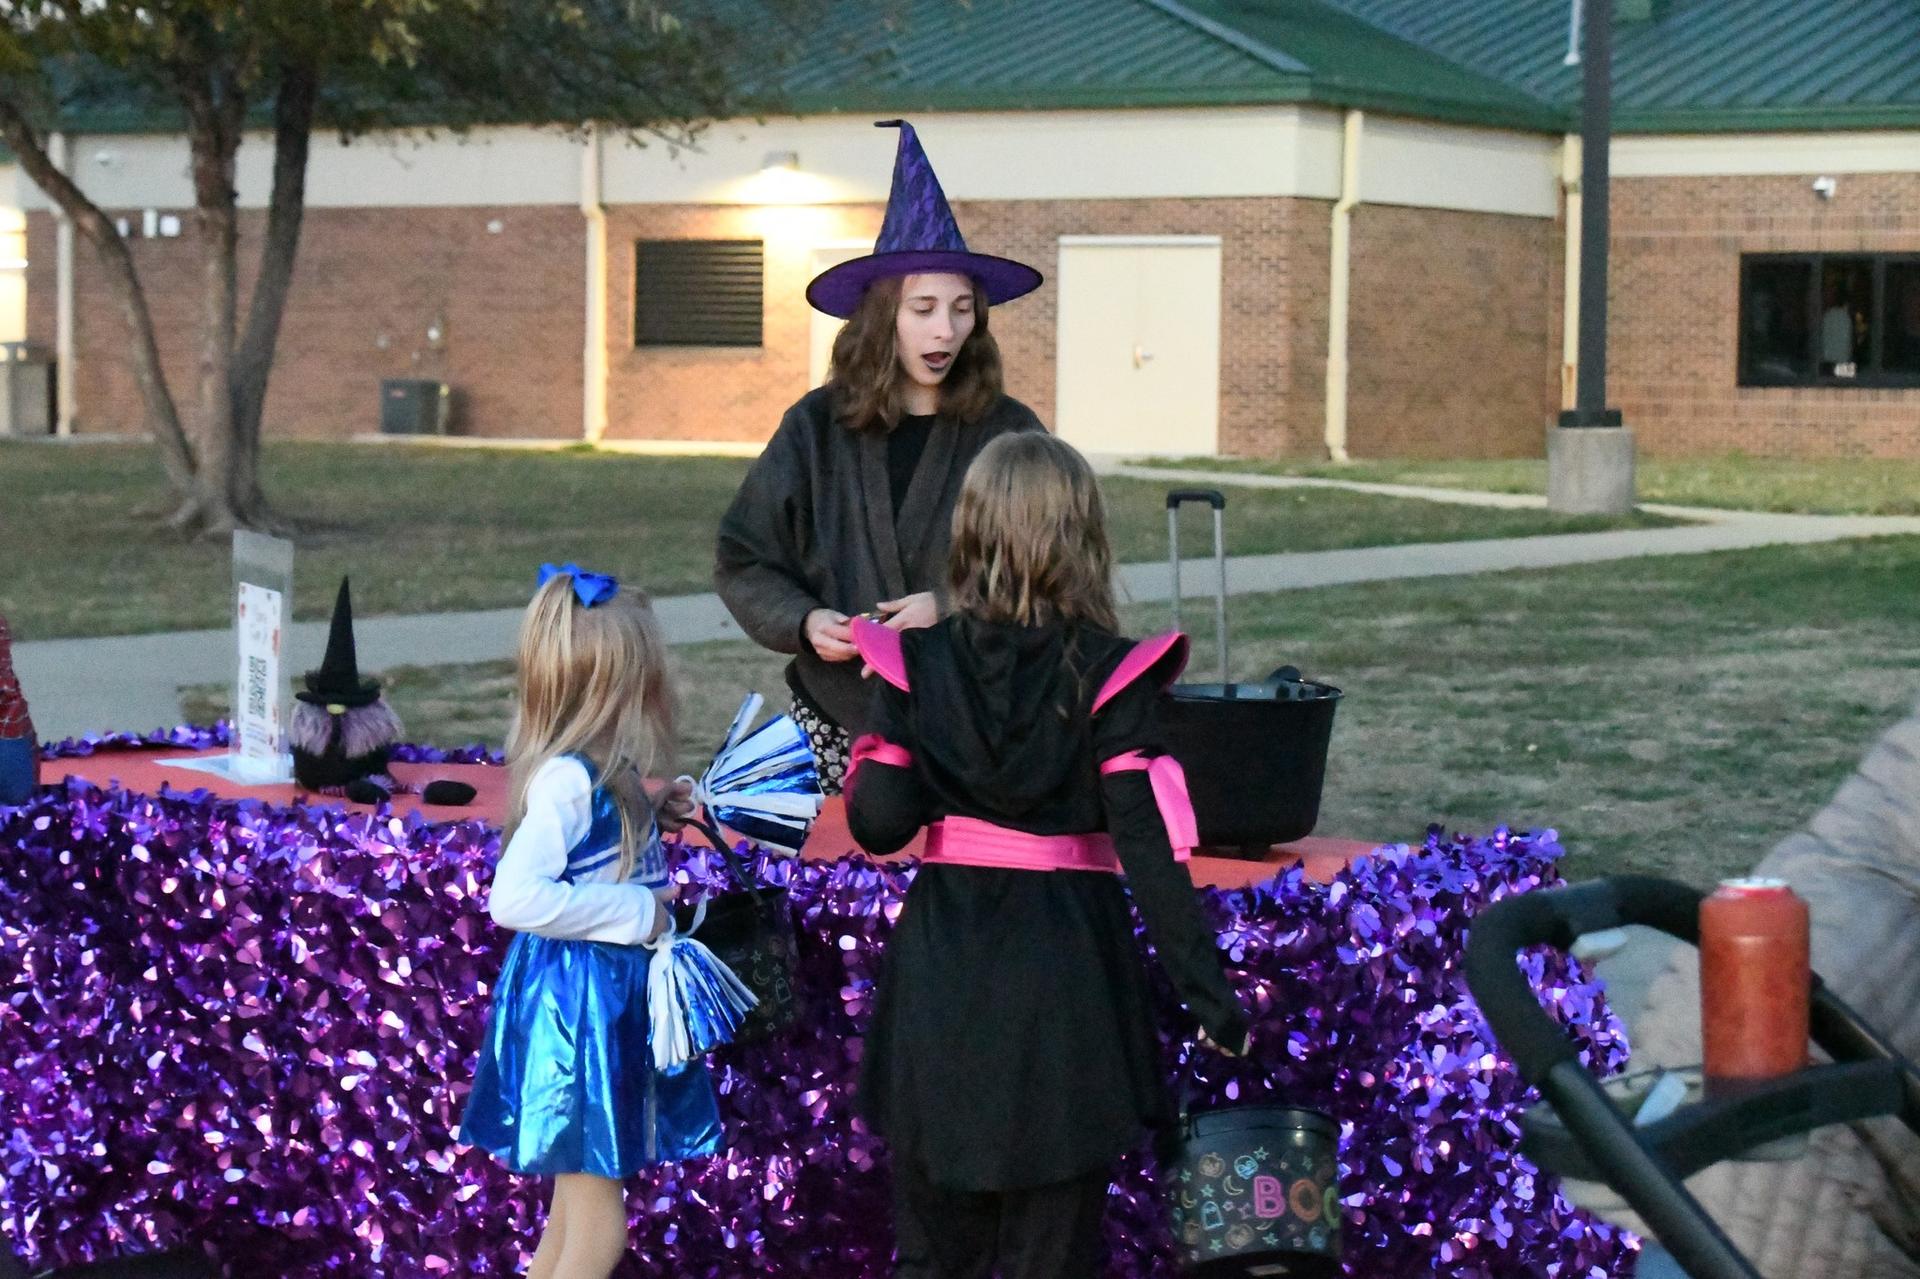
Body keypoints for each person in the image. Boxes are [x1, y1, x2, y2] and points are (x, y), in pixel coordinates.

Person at [843, 432, 1252, 1279]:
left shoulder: (917, 663)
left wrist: (906, 746)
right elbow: (1147, 847)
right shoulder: (1111, 674)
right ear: (1084, 541)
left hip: (944, 983)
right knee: (1052, 1255)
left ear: (970, 535)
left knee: (933, 1253)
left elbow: (878, 822)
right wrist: (1211, 1000)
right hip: (1068, 991)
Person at [715, 119, 1045, 793]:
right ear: (882, 316)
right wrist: (804, 622)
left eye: (961, 309)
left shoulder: (1011, 434)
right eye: (923, 307)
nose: (945, 329)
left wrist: (952, 607)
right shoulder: (814, 428)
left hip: (975, 721)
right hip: (835, 720)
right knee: (841, 886)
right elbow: (747, 556)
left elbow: (1052, 571)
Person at [460, 565, 715, 1279]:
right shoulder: (568, 780)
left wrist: (651, 813)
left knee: (570, 1215)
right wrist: (637, 909)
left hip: (602, 1003)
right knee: (599, 1228)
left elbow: (597, 854)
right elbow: (513, 898)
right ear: (613, 688)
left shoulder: (608, 768)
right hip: (583, 1013)